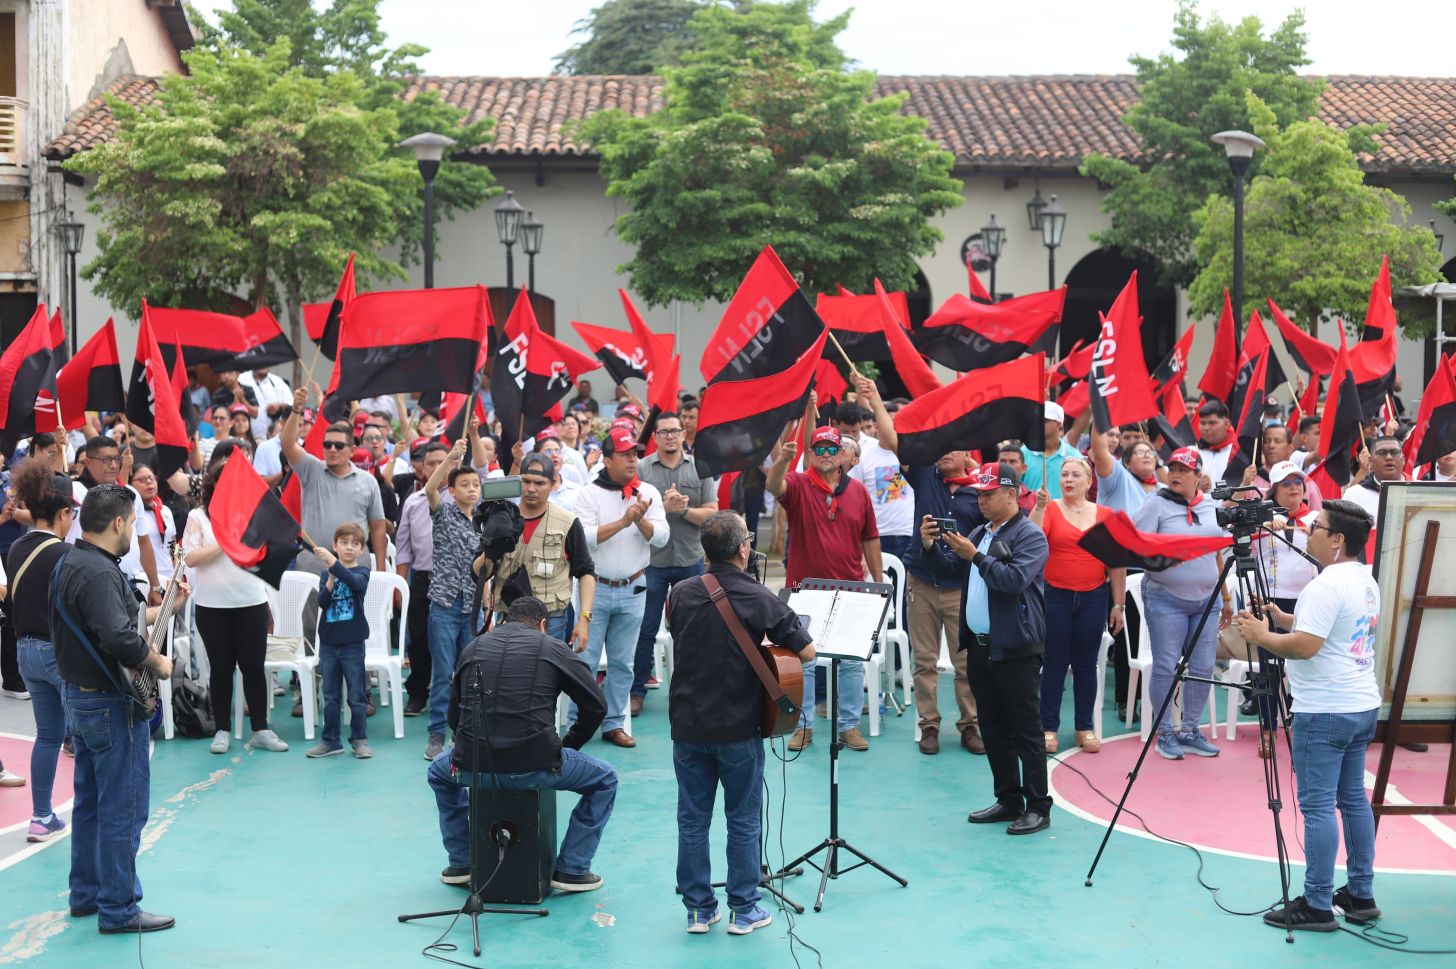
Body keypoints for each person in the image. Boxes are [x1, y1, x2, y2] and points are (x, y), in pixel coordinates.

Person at [1233, 500, 1383, 932]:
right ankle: (1360, 893)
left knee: (1317, 806)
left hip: (1325, 709)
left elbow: (1306, 647)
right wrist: (1282, 618)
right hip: (1360, 703)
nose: (1308, 532)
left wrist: (1262, 634)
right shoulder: (1363, 579)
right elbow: (1327, 626)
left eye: (1316, 526)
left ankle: (1317, 902)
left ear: (1337, 540)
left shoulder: (1325, 583)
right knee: (1352, 799)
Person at [667, 512, 816, 935]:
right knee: (744, 819)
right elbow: (807, 654)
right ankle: (744, 909)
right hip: (736, 724)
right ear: (742, 549)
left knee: (692, 819)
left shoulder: (680, 592)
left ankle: (698, 909)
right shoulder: (757, 595)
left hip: (688, 724)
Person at [50, 485, 178, 934]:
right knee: (123, 806)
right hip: (110, 705)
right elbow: (121, 639)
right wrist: (159, 661)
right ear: (120, 523)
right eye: (132, 524)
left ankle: (85, 893)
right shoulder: (102, 573)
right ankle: (119, 907)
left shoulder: (70, 560)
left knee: (89, 803)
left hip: (79, 698)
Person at [426, 595, 616, 893]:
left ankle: (462, 862)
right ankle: (572, 869)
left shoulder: (473, 647)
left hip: (470, 767)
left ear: (505, 619)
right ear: (543, 624)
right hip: (536, 766)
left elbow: (454, 715)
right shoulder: (553, 648)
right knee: (605, 779)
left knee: (438, 773)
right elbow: (596, 706)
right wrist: (568, 747)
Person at [855, 374, 984, 755]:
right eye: (940, 447)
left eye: (953, 448)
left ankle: (970, 726)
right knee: (924, 662)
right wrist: (875, 398)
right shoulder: (925, 473)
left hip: (962, 589)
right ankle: (929, 727)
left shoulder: (982, 493)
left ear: (967, 455)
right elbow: (893, 440)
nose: (944, 453)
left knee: (964, 664)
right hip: (923, 583)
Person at [922, 461, 1052, 835]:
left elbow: (1013, 581)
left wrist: (975, 556)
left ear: (1011, 495)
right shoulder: (981, 531)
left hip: (1015, 648)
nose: (981, 500)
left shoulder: (1030, 536)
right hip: (981, 648)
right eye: (978, 493)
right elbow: (950, 568)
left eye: (989, 494)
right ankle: (1009, 798)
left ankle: (1038, 805)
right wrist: (930, 546)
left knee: (1025, 729)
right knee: (993, 726)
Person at [767, 419, 882, 752]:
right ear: (811, 452)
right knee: (804, 660)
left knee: (850, 661)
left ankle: (848, 726)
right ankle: (803, 727)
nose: (828, 454)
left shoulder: (858, 491)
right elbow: (775, 487)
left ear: (843, 453)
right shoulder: (799, 484)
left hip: (851, 590)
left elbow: (870, 538)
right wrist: (784, 459)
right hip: (806, 592)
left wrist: (877, 583)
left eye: (834, 448)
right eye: (820, 448)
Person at [1131, 447, 1230, 761]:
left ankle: (1189, 730)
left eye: (1184, 470)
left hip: (1208, 600)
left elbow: (1217, 552)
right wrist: (1161, 563)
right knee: (1165, 666)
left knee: (1202, 667)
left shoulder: (1212, 507)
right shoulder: (1156, 504)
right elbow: (1136, 547)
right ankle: (1166, 734)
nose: (1175, 474)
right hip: (1166, 599)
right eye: (1172, 468)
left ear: (1198, 477)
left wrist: (1226, 597)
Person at [573, 426, 668, 748]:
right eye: (626, 454)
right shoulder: (588, 493)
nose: (632, 460)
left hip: (634, 586)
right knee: (584, 661)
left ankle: (614, 723)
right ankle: (579, 723)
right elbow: (583, 539)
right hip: (593, 587)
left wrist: (639, 519)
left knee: (622, 663)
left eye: (635, 454)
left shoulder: (648, 493)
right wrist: (623, 522)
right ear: (607, 459)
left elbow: (662, 537)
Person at [184, 464, 288, 755]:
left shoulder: (253, 517)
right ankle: (222, 730)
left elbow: (268, 551)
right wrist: (224, 543)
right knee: (221, 668)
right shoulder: (198, 516)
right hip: (212, 606)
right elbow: (190, 557)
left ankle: (260, 729)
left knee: (253, 667)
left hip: (251, 602)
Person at [1030, 457, 1124, 753]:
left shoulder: (1106, 514)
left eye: (1075, 475)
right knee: (1054, 664)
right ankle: (1048, 728)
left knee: (1086, 665)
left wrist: (1118, 604)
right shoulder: (1051, 509)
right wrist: (1039, 507)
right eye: (1064, 475)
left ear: (1088, 481)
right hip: (1055, 595)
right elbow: (1031, 539)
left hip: (1093, 596)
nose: (1068, 480)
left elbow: (1116, 563)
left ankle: (1085, 727)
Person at [7, 462, 77, 841]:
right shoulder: (65, 553)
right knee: (81, 736)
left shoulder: (17, 546)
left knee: (47, 736)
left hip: (25, 653)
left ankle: (40, 816)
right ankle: (86, 810)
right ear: (63, 512)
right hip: (56, 652)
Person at [631, 412, 717, 714]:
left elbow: (711, 513)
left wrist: (683, 511)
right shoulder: (640, 469)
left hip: (690, 558)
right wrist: (662, 508)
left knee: (692, 628)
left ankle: (690, 689)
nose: (670, 436)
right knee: (646, 628)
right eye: (663, 431)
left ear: (683, 434)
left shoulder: (701, 467)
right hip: (653, 561)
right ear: (655, 436)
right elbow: (631, 511)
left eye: (674, 431)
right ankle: (637, 690)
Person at [422, 436, 489, 762]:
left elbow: (487, 565)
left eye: (476, 484)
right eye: (465, 485)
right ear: (453, 490)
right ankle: (437, 734)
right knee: (443, 672)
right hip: (445, 606)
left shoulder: (485, 521)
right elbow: (430, 489)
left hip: (472, 608)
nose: (472, 489)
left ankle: (466, 733)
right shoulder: (444, 513)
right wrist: (451, 457)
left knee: (471, 675)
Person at [492, 452, 596, 646]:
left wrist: (583, 620)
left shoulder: (568, 522)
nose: (531, 489)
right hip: (508, 616)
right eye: (526, 481)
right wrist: (490, 540)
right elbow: (480, 571)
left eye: (539, 483)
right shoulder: (502, 519)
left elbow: (586, 572)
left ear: (552, 483)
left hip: (551, 620)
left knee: (547, 675)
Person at [281, 389, 387, 576]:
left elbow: (378, 528)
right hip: (313, 563)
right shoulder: (311, 469)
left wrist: (381, 570)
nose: (332, 449)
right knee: (310, 607)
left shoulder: (368, 481)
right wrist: (296, 410)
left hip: (354, 565)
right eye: (327, 445)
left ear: (352, 450)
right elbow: (288, 446)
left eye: (339, 446)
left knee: (353, 607)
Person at [306, 523, 373, 759]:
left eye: (355, 544)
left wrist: (334, 564)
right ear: (335, 545)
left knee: (357, 695)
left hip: (353, 644)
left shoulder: (363, 571)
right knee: (330, 695)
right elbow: (323, 603)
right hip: (329, 645)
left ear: (362, 549)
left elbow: (357, 585)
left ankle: (359, 739)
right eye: (344, 543)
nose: (349, 548)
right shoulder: (327, 573)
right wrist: (330, 578)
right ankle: (330, 740)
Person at [394, 442, 450, 717]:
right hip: (423, 579)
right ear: (421, 468)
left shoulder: (464, 496)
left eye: (443, 461)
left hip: (458, 580)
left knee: (457, 638)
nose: (437, 467)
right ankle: (418, 693)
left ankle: (457, 693)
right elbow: (403, 548)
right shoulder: (413, 502)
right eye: (430, 463)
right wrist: (400, 585)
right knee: (419, 638)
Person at [850, 404, 916, 562]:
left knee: (906, 585)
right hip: (877, 536)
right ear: (878, 426)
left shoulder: (911, 454)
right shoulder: (864, 457)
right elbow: (853, 498)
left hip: (909, 533)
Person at [1090, 421, 1160, 515]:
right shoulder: (1118, 477)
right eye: (1140, 453)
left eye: (1150, 453)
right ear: (1127, 463)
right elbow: (1100, 452)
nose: (1146, 456)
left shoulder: (1164, 490)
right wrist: (1100, 410)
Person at [1020, 402, 1079, 498]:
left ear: (1059, 424)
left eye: (1044, 420)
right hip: (1030, 512)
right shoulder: (1023, 453)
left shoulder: (1075, 457)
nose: (1038, 423)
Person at [238, 367, 292, 443]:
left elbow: (290, 406)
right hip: (246, 439)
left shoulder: (278, 382)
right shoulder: (241, 379)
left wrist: (279, 406)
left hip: (274, 439)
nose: (263, 365)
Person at [1196, 400, 1236, 487]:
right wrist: (1196, 488)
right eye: (1202, 423)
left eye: (1212, 423)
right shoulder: (1193, 451)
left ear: (1227, 424)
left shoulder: (1238, 453)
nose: (1206, 428)